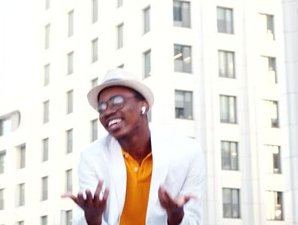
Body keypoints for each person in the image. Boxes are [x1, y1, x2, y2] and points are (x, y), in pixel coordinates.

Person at [62, 68, 205, 225]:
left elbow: (193, 220)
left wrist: (176, 217)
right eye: (101, 107)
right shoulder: (91, 157)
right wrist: (93, 218)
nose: (107, 111)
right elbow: (83, 220)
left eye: (117, 102)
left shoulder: (188, 152)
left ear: (143, 106)